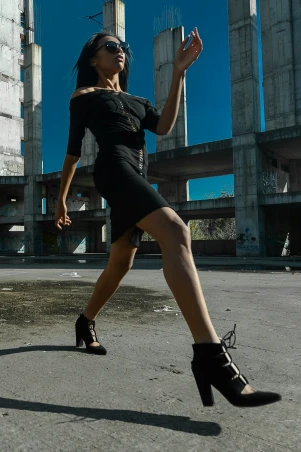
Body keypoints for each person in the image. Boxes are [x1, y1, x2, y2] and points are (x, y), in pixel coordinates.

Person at [55, 29, 280, 408]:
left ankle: (85, 320)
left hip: (138, 174)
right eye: (111, 47)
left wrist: (178, 73)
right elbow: (73, 153)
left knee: (120, 263)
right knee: (175, 230)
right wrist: (61, 200)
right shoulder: (84, 97)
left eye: (124, 47)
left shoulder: (138, 101)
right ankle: (211, 356)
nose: (120, 52)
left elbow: (163, 128)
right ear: (93, 58)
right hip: (114, 170)